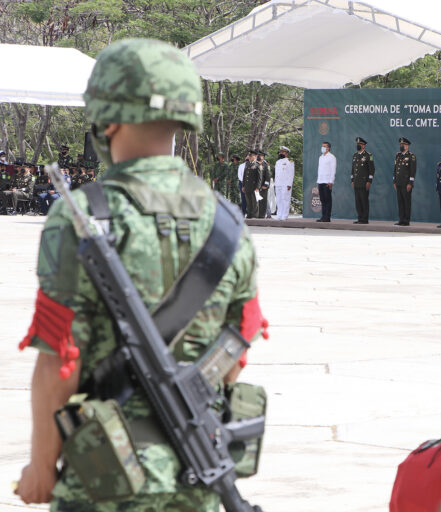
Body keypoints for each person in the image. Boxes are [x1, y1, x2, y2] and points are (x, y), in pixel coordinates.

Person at [14, 38, 264, 511]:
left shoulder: (84, 215)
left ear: (106, 116)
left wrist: (41, 467)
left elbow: (59, 360)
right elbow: (236, 352)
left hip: (104, 481)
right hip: (201, 476)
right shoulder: (228, 221)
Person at [351, 136, 375, 224]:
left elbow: (372, 170)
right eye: (357, 144)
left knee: (364, 200)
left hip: (364, 182)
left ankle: (365, 219)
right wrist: (352, 180)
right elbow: (353, 169)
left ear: (364, 146)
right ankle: (360, 218)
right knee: (358, 201)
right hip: (356, 182)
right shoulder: (355, 155)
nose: (358, 145)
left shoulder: (368, 155)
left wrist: (369, 181)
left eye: (360, 144)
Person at [393, 137, 416, 226]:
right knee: (400, 201)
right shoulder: (398, 155)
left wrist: (410, 183)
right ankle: (401, 219)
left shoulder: (411, 156)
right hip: (398, 182)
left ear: (407, 146)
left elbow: (412, 171)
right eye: (401, 145)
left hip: (406, 183)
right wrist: (394, 181)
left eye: (403, 145)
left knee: (406, 201)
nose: (402, 146)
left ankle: (406, 220)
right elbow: (395, 169)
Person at [316, 141, 336, 222]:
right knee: (322, 199)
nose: (323, 148)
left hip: (327, 181)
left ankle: (327, 217)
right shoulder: (321, 157)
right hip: (320, 180)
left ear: (328, 148)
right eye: (322, 146)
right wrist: (318, 180)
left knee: (327, 199)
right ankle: (323, 216)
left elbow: (333, 170)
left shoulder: (331, 157)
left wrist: (331, 181)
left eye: (324, 146)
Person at [274, 145, 294, 221]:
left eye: (282, 152)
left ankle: (284, 215)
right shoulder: (278, 162)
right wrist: (275, 183)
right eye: (280, 152)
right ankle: (279, 215)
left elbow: (291, 173)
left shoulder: (290, 161)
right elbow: (276, 174)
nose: (280, 153)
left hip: (286, 184)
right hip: (278, 183)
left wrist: (289, 184)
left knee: (285, 199)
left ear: (287, 153)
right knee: (278, 199)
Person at [242, 148, 260, 219]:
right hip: (247, 186)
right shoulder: (247, 164)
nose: (249, 157)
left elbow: (259, 178)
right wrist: (243, 186)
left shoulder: (257, 165)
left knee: (254, 202)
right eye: (249, 155)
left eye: (251, 155)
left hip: (254, 186)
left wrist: (257, 187)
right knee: (248, 201)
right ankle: (249, 214)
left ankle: (255, 215)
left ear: (255, 156)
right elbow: (245, 176)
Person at [255, 150, 271, 218]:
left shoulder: (265, 165)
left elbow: (268, 176)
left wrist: (266, 185)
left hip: (263, 187)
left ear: (263, 157)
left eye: (260, 155)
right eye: (258, 155)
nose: (259, 156)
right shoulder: (256, 164)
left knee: (263, 202)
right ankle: (257, 215)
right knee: (256, 202)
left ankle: (262, 215)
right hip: (256, 186)